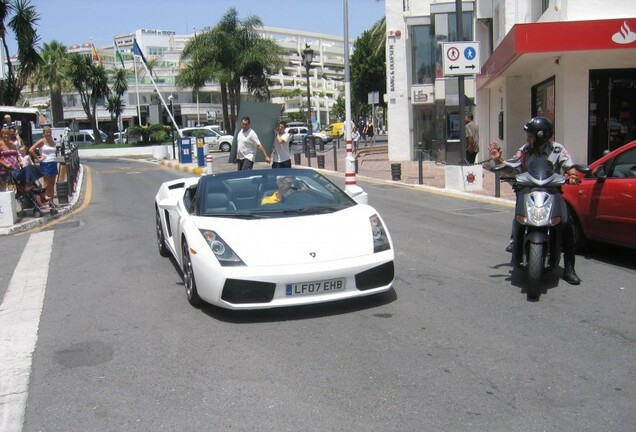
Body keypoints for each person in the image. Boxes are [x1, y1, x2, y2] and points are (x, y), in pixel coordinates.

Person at [490, 117, 581, 285]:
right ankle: (514, 240)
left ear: (540, 137)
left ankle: (569, 268)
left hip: (552, 191)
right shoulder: (525, 150)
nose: (527, 139)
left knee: (567, 225)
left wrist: (573, 175)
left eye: (530, 136)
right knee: (519, 217)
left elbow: (569, 166)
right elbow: (511, 166)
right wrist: (498, 160)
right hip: (528, 191)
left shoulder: (557, 149)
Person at [29, 125, 58, 201]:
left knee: (52, 184)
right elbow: (31, 150)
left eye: (49, 132)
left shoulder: (52, 141)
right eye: (47, 133)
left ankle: (51, 202)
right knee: (46, 184)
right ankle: (43, 199)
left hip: (53, 163)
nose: (48, 134)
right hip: (46, 163)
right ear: (44, 133)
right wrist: (38, 159)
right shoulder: (42, 141)